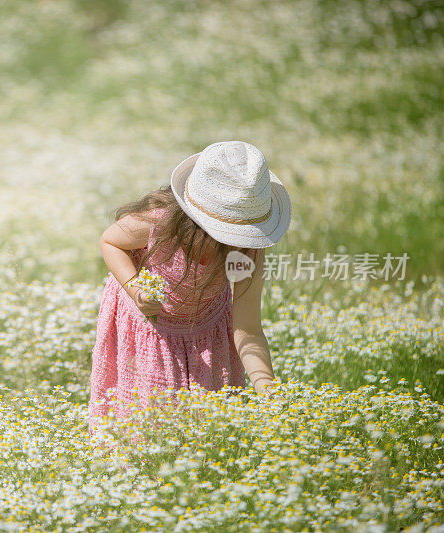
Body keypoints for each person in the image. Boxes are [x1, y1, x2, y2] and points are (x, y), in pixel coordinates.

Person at [88, 140, 292, 436]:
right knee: (148, 421)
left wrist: (265, 382)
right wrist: (135, 288)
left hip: (206, 332)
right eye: (229, 232)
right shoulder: (158, 224)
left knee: (205, 427)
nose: (236, 242)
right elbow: (110, 240)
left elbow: (248, 329)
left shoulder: (246, 253)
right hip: (151, 328)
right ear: (195, 220)